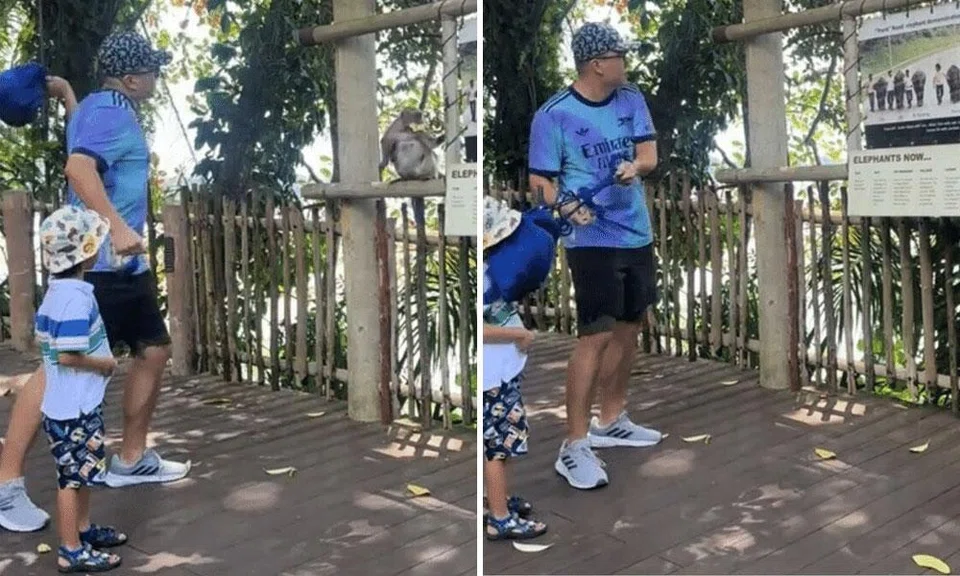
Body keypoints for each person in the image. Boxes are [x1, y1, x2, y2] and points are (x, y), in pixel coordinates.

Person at [0, 31, 189, 534]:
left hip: (121, 267)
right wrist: (120, 226)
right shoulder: (111, 113)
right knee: (54, 372)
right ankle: (6, 486)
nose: (155, 76)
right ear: (131, 79)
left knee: (152, 349)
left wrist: (66, 97)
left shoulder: (94, 108)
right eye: (150, 70)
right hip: (100, 264)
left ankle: (130, 460)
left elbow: (85, 143)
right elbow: (79, 167)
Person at [527, 22, 663, 491]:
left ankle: (611, 420)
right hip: (591, 241)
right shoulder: (553, 115)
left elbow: (649, 155)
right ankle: (574, 445)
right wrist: (566, 204)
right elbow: (540, 185)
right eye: (619, 56)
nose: (626, 62)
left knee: (629, 326)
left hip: (635, 233)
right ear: (597, 64)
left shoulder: (631, 99)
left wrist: (635, 166)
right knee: (596, 335)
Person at [35, 206, 125, 572]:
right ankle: (70, 549)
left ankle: (83, 530)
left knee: (82, 470)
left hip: (69, 404)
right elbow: (69, 355)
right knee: (71, 480)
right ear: (87, 251)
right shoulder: (75, 298)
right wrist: (105, 364)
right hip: (74, 409)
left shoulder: (58, 292)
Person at [481, 197, 548, 541]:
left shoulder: (497, 272)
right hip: (492, 380)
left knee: (500, 443)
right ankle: (499, 517)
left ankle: (497, 498)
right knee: (498, 447)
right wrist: (519, 333)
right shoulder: (484, 279)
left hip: (502, 375)